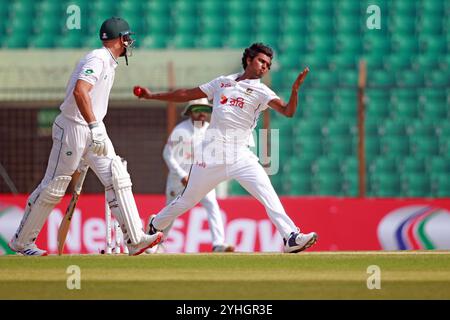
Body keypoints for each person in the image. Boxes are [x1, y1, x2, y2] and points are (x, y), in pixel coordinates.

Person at [135, 43, 317, 253]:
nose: (265, 67)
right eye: (261, 61)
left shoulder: (262, 91)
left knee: (268, 194)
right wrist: (152, 96)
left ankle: (290, 237)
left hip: (241, 156)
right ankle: (155, 224)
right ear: (249, 60)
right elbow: (186, 94)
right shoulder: (223, 82)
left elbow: (287, 111)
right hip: (211, 154)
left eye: (268, 64)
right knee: (187, 200)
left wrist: (295, 91)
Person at [9, 17, 162, 256]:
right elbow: (81, 91)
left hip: (93, 129)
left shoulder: (109, 62)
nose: (129, 44)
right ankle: (22, 242)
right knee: (54, 186)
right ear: (120, 39)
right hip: (73, 127)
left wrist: (94, 129)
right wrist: (93, 126)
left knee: (117, 177)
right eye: (127, 39)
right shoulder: (98, 59)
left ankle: (135, 240)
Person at [149, 98, 234, 253]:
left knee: (212, 206)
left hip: (202, 179)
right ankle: (156, 242)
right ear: (190, 112)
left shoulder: (211, 131)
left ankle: (218, 244)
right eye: (197, 110)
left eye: (205, 110)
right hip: (178, 181)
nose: (202, 114)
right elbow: (167, 154)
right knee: (170, 213)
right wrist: (181, 175)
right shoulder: (180, 130)